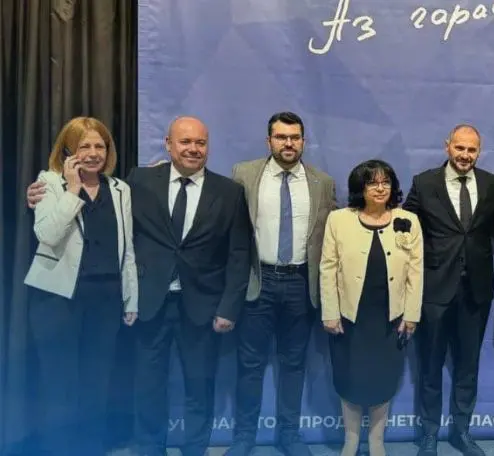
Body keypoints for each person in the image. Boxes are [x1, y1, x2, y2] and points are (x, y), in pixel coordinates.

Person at [29, 116, 253, 456]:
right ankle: (149, 449)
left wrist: (228, 308)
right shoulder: (140, 181)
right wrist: (40, 194)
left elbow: (239, 255)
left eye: (200, 142)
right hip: (150, 303)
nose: (193, 149)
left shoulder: (229, 192)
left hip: (202, 306)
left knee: (199, 386)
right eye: (185, 142)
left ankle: (195, 449)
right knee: (147, 386)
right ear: (168, 145)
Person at [23, 116, 138, 456]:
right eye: (84, 146)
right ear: (68, 151)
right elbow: (47, 235)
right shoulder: (48, 182)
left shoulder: (120, 189)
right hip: (57, 300)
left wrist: (131, 298)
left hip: (105, 299)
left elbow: (127, 248)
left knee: (97, 383)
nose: (93, 153)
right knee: (60, 385)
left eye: (99, 146)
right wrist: (72, 190)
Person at [226, 112, 336, 456]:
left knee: (294, 363)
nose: (288, 143)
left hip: (301, 284)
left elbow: (331, 238)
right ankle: (244, 437)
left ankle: (290, 435)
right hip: (258, 282)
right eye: (281, 137)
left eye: (295, 137)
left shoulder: (322, 182)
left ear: (303, 141)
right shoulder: (244, 175)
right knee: (250, 365)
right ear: (269, 141)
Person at [403, 124, 494, 456]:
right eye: (460, 148)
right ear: (447, 146)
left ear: (479, 152)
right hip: (434, 291)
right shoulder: (424, 183)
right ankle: (429, 434)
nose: (465, 155)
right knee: (430, 365)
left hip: (476, 292)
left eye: (472, 150)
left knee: (468, 367)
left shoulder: (491, 183)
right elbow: (405, 230)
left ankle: (461, 432)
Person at [320, 159, 423, 456]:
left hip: (390, 317)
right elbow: (328, 268)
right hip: (350, 317)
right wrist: (330, 312)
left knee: (383, 380)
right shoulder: (338, 219)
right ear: (360, 188)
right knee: (349, 379)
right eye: (372, 183)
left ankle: (377, 441)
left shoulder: (408, 220)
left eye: (385, 182)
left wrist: (411, 315)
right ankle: (351, 440)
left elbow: (416, 272)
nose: (380, 188)